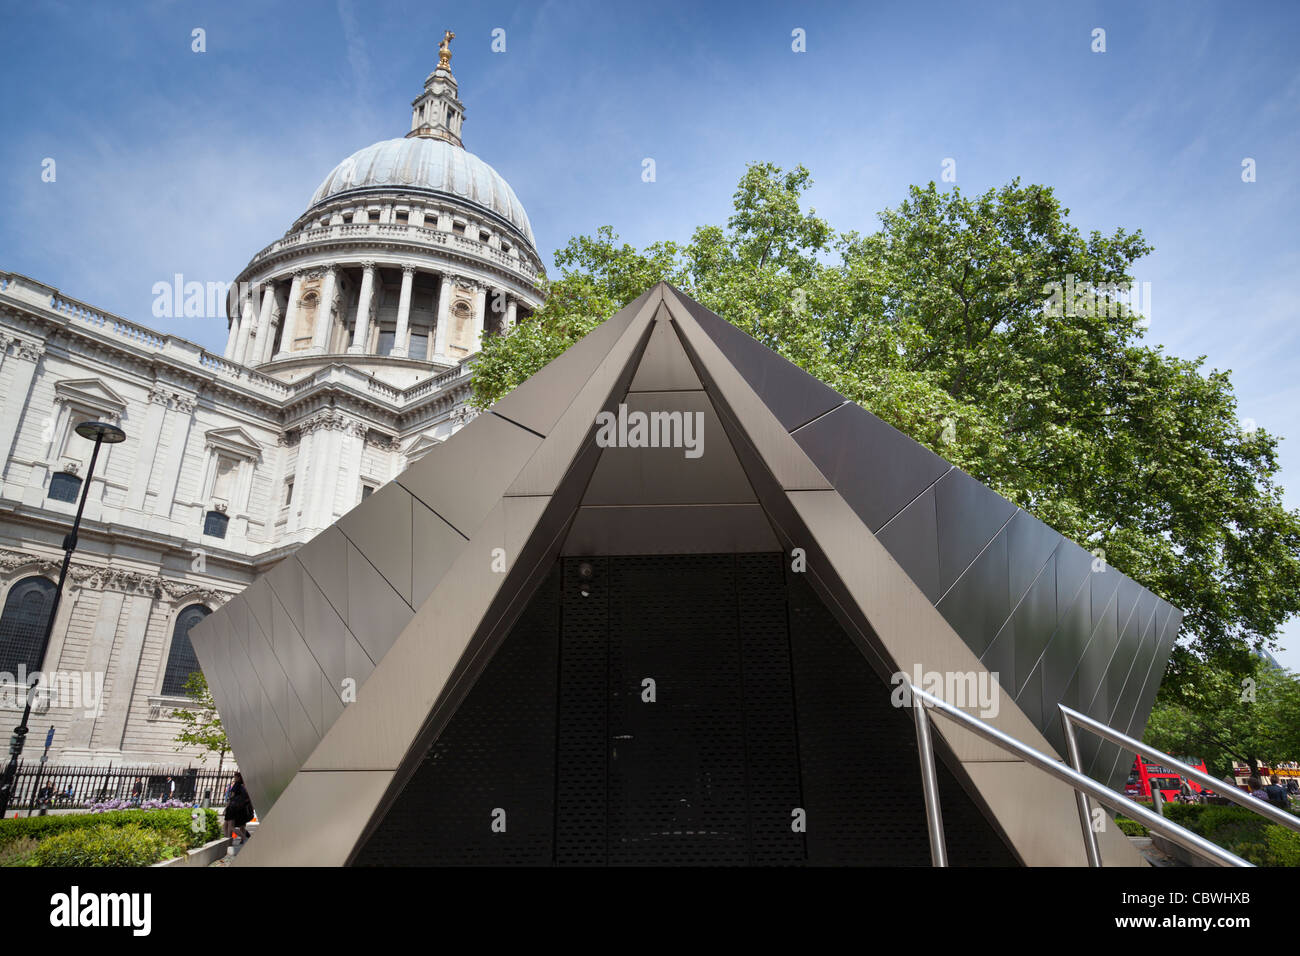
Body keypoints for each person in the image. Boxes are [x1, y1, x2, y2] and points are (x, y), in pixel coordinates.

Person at [223, 772, 255, 843]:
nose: (234, 778)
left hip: (233, 807)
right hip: (243, 808)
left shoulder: (236, 785)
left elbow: (231, 798)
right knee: (241, 825)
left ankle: (230, 840)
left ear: (238, 777)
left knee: (229, 826)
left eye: (235, 777)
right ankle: (241, 840)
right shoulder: (244, 785)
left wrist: (226, 808)